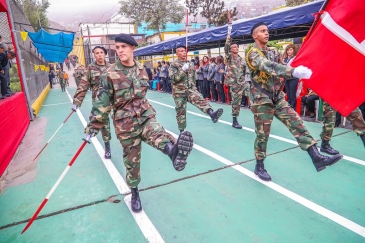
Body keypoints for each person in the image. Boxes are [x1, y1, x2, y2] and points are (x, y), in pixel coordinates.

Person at [84, 34, 194, 212]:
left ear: (133, 48)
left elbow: (142, 95)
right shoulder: (109, 73)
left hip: (145, 116)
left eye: (123, 47)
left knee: (158, 132)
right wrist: (92, 127)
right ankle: (134, 192)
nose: (119, 50)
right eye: (117, 47)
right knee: (132, 163)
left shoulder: (143, 70)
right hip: (125, 124)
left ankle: (173, 152)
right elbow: (102, 103)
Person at [245, 22, 343, 181]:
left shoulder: (272, 52)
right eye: (262, 31)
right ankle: (259, 165)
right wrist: (293, 71)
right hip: (261, 100)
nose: (266, 33)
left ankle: (316, 156)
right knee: (263, 135)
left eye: (267, 31)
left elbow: (280, 66)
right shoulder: (252, 53)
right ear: (254, 35)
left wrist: (297, 67)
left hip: (277, 98)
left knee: (297, 122)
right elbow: (267, 66)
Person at [169, 46, 223, 132]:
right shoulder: (173, 65)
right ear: (177, 54)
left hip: (190, 89)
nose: (183, 52)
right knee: (180, 111)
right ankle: (181, 131)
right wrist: (183, 70)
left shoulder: (190, 63)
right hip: (179, 92)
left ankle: (212, 113)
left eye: (184, 51)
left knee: (200, 99)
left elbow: (193, 77)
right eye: (181, 51)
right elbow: (173, 79)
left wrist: (193, 86)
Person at [72, 46, 112, 159]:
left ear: (105, 54)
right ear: (94, 55)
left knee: (123, 122)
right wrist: (77, 101)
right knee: (104, 124)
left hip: (114, 100)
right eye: (97, 53)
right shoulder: (90, 68)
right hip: (99, 101)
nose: (99, 55)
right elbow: (83, 85)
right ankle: (107, 147)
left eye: (101, 52)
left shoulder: (112, 67)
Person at [224, 29, 250, 129]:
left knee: (252, 94)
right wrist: (228, 37)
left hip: (242, 82)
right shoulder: (230, 58)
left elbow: (244, 71)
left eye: (237, 46)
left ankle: (257, 111)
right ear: (231, 49)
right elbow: (226, 48)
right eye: (234, 47)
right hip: (234, 83)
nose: (236, 48)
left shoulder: (241, 59)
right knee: (236, 102)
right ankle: (234, 121)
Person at [280, 44, 299, 108]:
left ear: (294, 50)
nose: (289, 51)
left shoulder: (296, 58)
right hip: (287, 78)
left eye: (290, 50)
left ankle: (293, 109)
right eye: (287, 50)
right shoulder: (286, 59)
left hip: (293, 78)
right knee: (288, 94)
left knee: (292, 95)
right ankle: (288, 108)